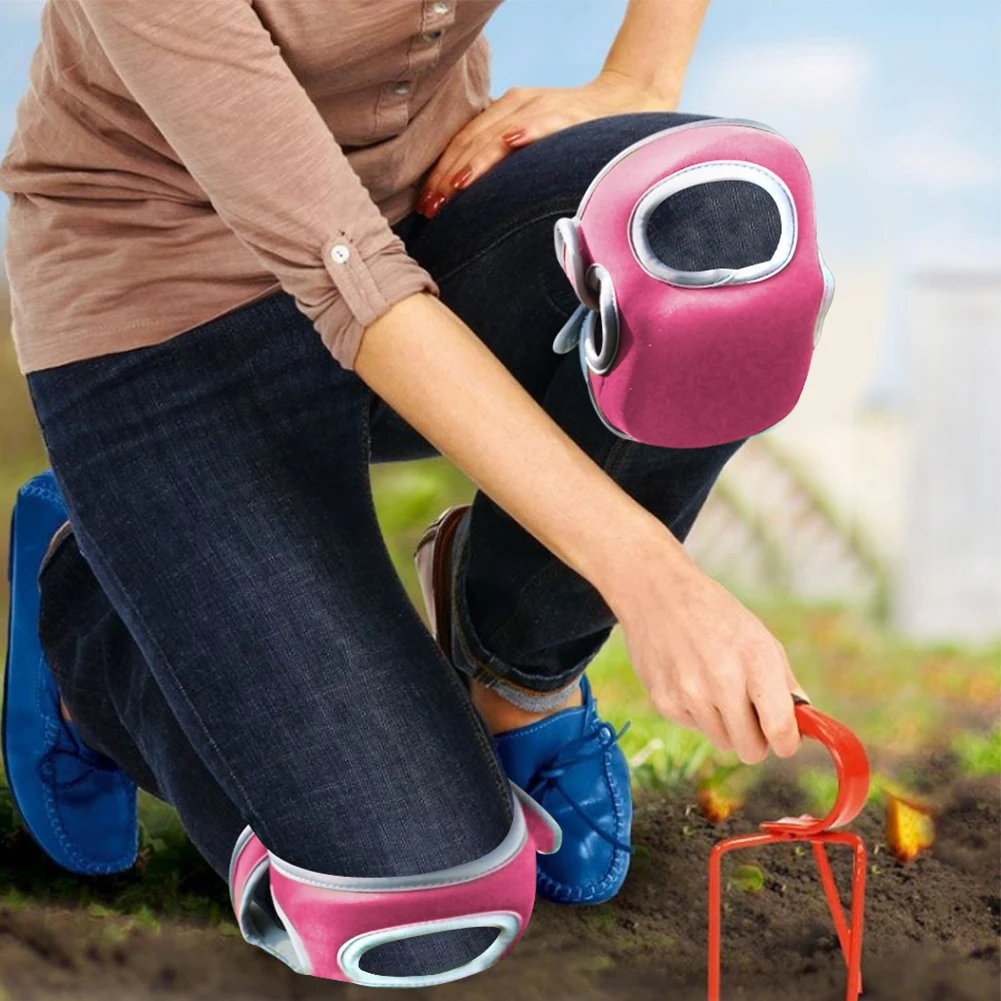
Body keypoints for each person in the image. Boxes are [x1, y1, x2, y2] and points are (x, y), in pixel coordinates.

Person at [1, 0, 808, 980]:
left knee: (712, 217)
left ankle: (514, 673)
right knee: (418, 909)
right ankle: (92, 602)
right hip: (168, 316)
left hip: (424, 218)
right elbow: (349, 277)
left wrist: (638, 75)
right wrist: (649, 574)